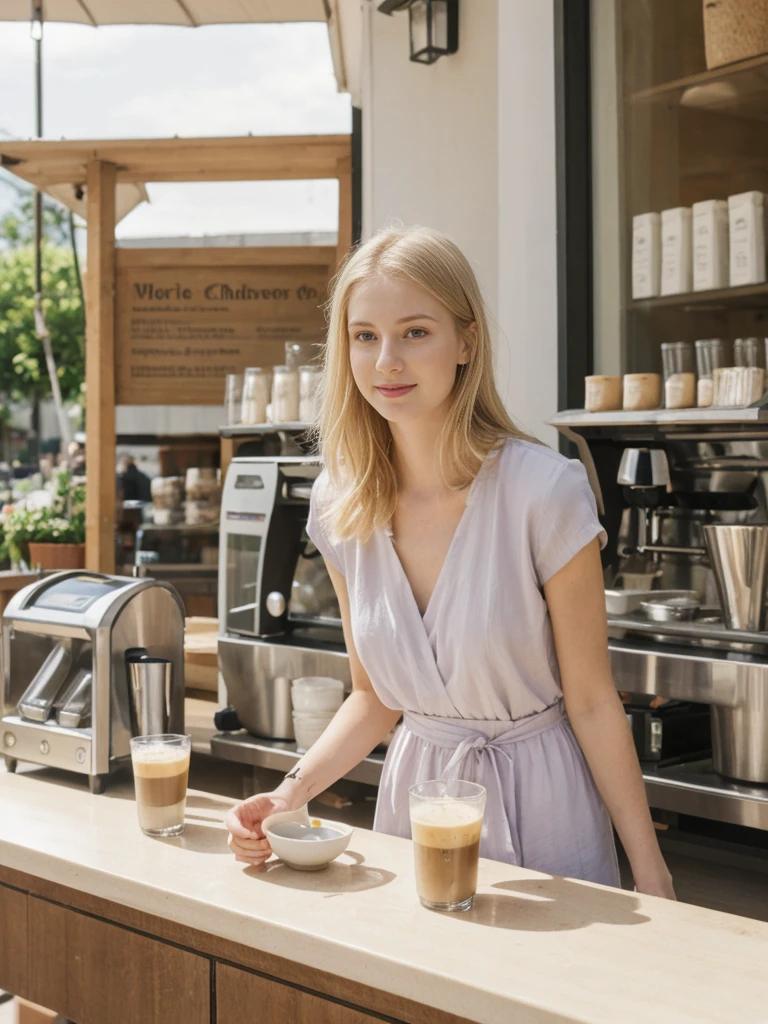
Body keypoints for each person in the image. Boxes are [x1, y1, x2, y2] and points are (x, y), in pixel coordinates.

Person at [225, 226, 675, 898]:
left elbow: (591, 699)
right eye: (365, 335)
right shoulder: (340, 500)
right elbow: (374, 697)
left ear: (466, 341)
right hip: (419, 806)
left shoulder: (543, 491)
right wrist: (291, 793)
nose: (387, 362)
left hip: (545, 808)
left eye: (415, 332)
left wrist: (651, 869)